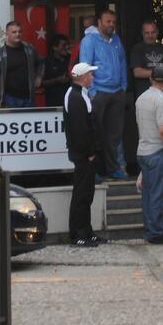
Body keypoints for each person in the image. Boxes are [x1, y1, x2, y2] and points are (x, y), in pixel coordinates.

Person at [78, 10, 129, 181]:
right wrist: (91, 92)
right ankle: (94, 171)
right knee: (95, 134)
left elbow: (122, 64)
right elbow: (85, 65)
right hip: (98, 92)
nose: (111, 25)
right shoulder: (89, 41)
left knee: (114, 135)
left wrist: (123, 86)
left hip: (116, 93)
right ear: (99, 23)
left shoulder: (116, 40)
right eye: (108, 21)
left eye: (113, 22)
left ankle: (113, 169)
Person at [64, 62, 105, 247]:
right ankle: (77, 234)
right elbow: (80, 129)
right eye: (90, 74)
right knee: (81, 194)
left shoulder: (80, 94)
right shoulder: (75, 97)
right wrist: (88, 152)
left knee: (87, 193)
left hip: (85, 153)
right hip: (83, 155)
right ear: (83, 77)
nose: (93, 77)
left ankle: (87, 231)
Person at [134, 66, 163, 245]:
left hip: (143, 149)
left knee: (148, 195)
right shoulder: (161, 100)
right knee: (158, 194)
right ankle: (156, 232)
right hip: (158, 151)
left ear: (150, 79)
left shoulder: (141, 98)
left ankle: (149, 229)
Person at [0, 21, 44, 108]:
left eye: (20, 31)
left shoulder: (29, 49)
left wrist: (39, 76)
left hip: (28, 99)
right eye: (14, 32)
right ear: (7, 34)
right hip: (8, 99)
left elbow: (41, 62)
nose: (18, 34)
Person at [131, 19, 163, 98]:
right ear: (142, 33)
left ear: (157, 32)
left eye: (153, 32)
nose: (150, 35)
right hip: (144, 95)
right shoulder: (137, 49)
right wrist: (161, 69)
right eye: (147, 33)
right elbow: (137, 73)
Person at [42, 34, 71, 107]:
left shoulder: (72, 60)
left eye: (68, 45)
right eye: (64, 45)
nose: (67, 47)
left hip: (70, 101)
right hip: (53, 102)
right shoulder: (47, 62)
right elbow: (41, 83)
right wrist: (57, 80)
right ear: (55, 47)